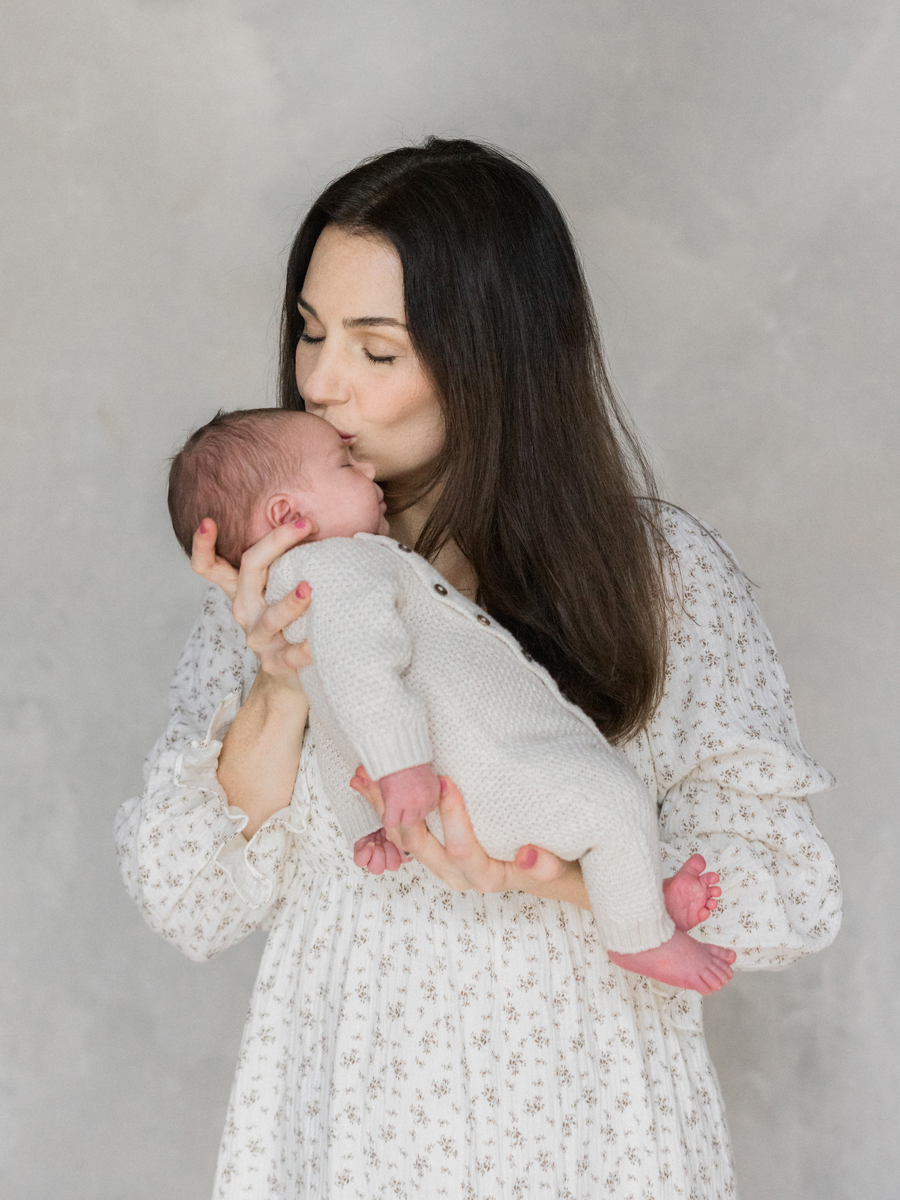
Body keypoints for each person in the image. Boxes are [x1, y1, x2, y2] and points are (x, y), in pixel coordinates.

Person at [116, 137, 841, 1198]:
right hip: (357, 1120)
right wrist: (278, 681)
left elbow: (791, 890)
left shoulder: (658, 573)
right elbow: (193, 900)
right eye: (310, 332)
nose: (319, 382)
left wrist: (565, 882)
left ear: (493, 355)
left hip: (590, 1118)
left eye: (376, 349)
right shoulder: (277, 589)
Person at [166, 405, 736, 992]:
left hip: (448, 797)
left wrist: (367, 820)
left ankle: (641, 899)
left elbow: (341, 715)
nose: (362, 469)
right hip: (469, 778)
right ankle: (643, 938)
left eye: (377, 352)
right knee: (615, 801)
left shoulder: (309, 594)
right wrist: (401, 764)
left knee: (603, 821)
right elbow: (367, 673)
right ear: (289, 515)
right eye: (343, 464)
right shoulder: (335, 568)